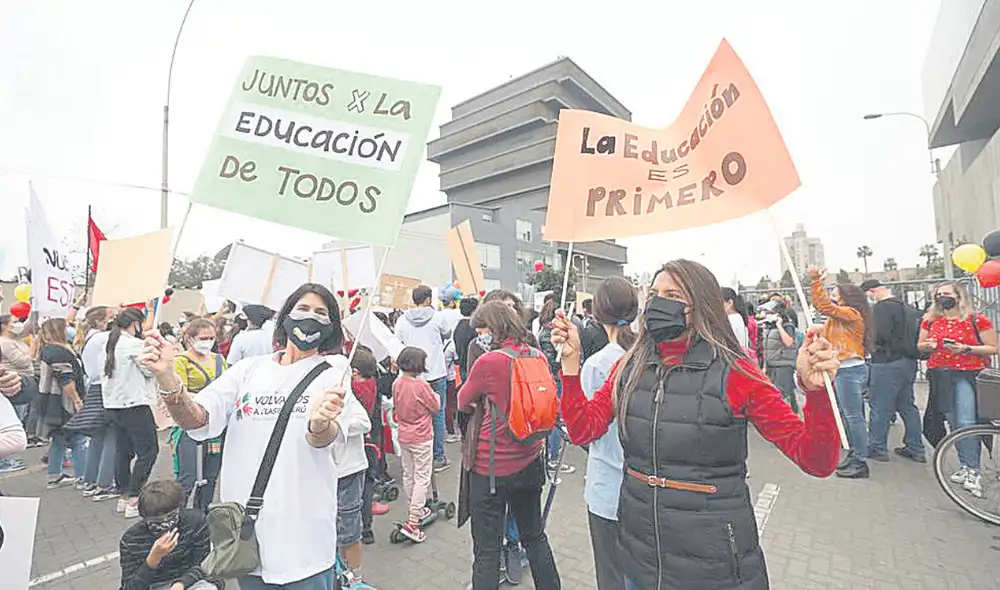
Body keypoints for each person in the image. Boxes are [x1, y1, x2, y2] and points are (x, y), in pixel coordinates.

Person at [552, 259, 840, 590]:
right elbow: (582, 430)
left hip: (712, 564)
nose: (658, 302)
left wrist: (815, 393)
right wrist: (570, 366)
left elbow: (816, 459)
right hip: (639, 556)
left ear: (699, 304)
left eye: (672, 294)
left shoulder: (736, 372)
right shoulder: (629, 366)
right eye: (655, 293)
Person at [140, 283, 369, 589]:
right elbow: (196, 419)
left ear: (330, 327)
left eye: (321, 313)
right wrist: (166, 375)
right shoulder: (248, 370)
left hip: (306, 548)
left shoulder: (333, 373)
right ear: (285, 316)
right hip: (248, 542)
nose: (310, 318)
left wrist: (317, 424)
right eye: (302, 308)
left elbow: (325, 438)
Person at [459, 301, 562, 590]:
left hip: (490, 469)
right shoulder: (538, 356)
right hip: (530, 460)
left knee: (487, 551)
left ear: (492, 329)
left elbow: (462, 399)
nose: (481, 336)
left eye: (482, 330)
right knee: (535, 537)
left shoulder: (489, 362)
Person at [579, 277, 637, 590]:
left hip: (609, 485)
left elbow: (588, 430)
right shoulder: (649, 356)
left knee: (612, 576)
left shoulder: (597, 365)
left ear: (597, 313)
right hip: (648, 489)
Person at [918, 281, 997, 497]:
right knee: (952, 421)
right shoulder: (930, 319)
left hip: (967, 373)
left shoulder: (977, 319)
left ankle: (973, 469)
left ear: (958, 296)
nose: (941, 298)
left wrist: (967, 348)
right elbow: (920, 345)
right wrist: (929, 345)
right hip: (940, 373)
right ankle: (965, 465)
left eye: (946, 294)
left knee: (966, 420)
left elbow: (993, 347)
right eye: (938, 294)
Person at [808, 267, 873, 479]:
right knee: (848, 415)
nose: (834, 294)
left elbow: (824, 306)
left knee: (853, 416)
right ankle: (854, 454)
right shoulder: (843, 316)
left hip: (849, 368)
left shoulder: (851, 313)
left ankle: (860, 459)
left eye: (836, 292)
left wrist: (816, 281)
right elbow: (829, 323)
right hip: (843, 368)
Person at [861, 279, 926, 464]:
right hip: (908, 361)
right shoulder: (907, 306)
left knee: (880, 405)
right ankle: (916, 447)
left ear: (872, 292)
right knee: (907, 405)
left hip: (887, 362)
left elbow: (880, 335)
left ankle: (877, 447)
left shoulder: (882, 308)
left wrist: (870, 343)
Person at [104, 306, 159, 518]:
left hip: (114, 404)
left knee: (124, 451)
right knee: (149, 451)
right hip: (134, 403)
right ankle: (135, 497)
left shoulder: (109, 343)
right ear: (135, 324)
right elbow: (149, 368)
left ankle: (124, 494)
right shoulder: (133, 344)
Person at [394, 285, 452, 472]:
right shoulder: (438, 317)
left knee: (412, 415)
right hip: (436, 372)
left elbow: (397, 344)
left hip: (411, 376)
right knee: (438, 413)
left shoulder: (402, 320)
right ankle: (438, 456)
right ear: (427, 299)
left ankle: (415, 456)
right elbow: (447, 334)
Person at [329, 344, 375, 585]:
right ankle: (335, 571)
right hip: (321, 473)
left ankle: (356, 577)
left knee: (349, 528)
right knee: (327, 526)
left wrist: (334, 423)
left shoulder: (345, 393)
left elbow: (364, 423)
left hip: (348, 469)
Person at [118, 479, 216, 590]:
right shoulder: (131, 540)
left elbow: (204, 565)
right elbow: (129, 587)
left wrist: (181, 584)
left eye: (171, 515)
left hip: (190, 581)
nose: (165, 523)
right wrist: (153, 559)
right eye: (157, 520)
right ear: (144, 517)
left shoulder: (195, 521)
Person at [172, 319, 227, 511]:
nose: (208, 342)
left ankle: (201, 516)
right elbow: (180, 391)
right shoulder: (180, 361)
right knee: (188, 477)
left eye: (211, 338)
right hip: (190, 422)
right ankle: (175, 517)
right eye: (203, 338)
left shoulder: (219, 360)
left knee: (211, 476)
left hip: (216, 425)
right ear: (190, 338)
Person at [392, 346, 441, 543]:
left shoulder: (397, 383)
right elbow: (436, 406)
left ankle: (415, 509)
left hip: (403, 433)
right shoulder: (421, 386)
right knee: (422, 477)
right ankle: (413, 521)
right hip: (421, 436)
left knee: (408, 474)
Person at [34, 318, 89, 490]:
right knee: (78, 439)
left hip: (50, 401)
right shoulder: (58, 352)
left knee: (59, 438)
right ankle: (83, 476)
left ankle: (54, 475)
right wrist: (77, 401)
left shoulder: (48, 350)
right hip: (62, 403)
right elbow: (66, 380)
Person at [72, 305, 120, 500]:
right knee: (112, 436)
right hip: (107, 389)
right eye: (112, 317)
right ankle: (105, 483)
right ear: (100, 321)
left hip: (95, 388)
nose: (115, 320)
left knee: (98, 438)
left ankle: (90, 480)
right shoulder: (103, 338)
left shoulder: (90, 338)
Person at [537, 300, 575, 480]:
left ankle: (551, 455)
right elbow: (555, 357)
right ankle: (553, 457)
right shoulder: (551, 334)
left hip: (548, 376)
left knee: (552, 417)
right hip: (555, 377)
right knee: (556, 418)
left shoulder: (542, 331)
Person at [0, 313, 33, 473]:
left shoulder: (15, 340)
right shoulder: (5, 342)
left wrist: (20, 383)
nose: (17, 324)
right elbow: (23, 361)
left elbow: (15, 438)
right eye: (13, 322)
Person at [760, 302, 802, 413]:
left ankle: (791, 415)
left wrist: (779, 326)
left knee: (782, 394)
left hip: (783, 365)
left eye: (771, 313)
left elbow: (789, 342)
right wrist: (764, 365)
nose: (767, 314)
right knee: (773, 394)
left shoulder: (787, 326)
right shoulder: (768, 328)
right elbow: (766, 348)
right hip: (771, 365)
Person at [454, 297, 479, 382]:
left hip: (462, 365)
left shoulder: (458, 326)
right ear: (474, 311)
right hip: (473, 367)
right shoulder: (474, 328)